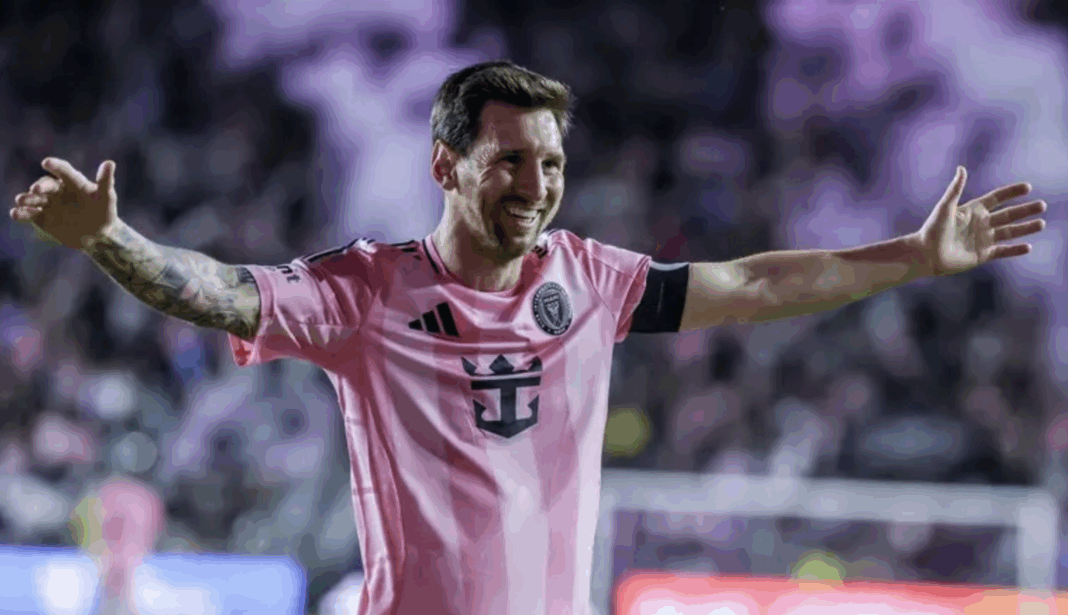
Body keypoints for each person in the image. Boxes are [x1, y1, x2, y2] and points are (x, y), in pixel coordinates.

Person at [9, 60, 1047, 615]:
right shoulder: (367, 291)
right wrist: (110, 240)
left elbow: (753, 283)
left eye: (549, 162)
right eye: (508, 159)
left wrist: (909, 257)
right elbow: (224, 294)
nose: (536, 184)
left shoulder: (590, 280)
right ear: (446, 165)